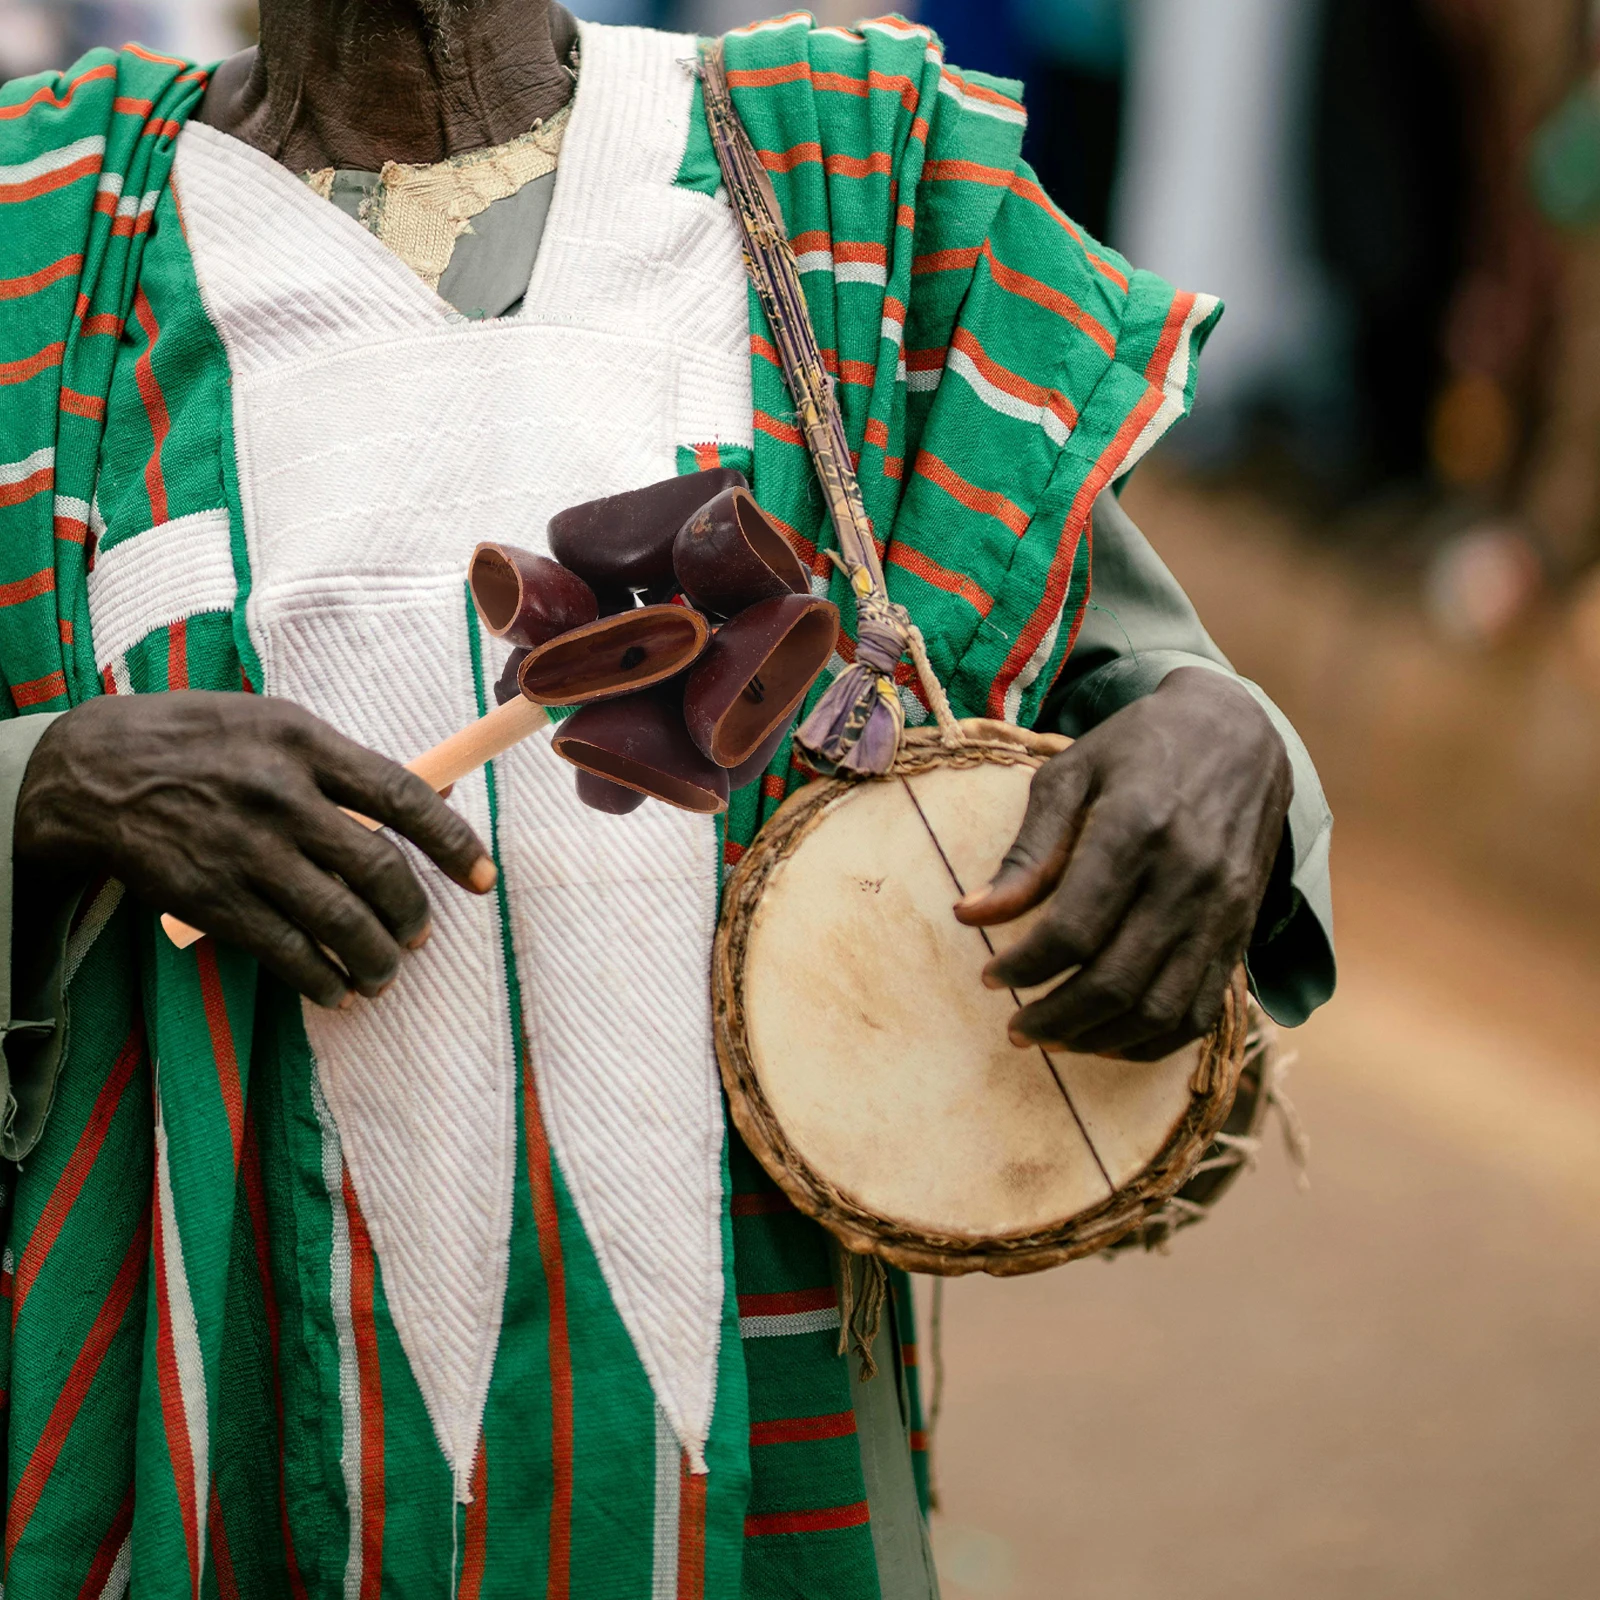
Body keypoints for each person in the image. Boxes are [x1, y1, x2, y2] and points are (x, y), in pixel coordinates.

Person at [0, 4, 1334, 1594]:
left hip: (769, 1445)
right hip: (225, 1448)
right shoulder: (53, 234)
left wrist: (1228, 748)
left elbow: (1153, 691)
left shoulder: (838, 171)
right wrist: (53, 778)